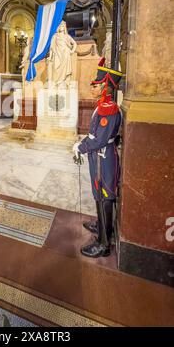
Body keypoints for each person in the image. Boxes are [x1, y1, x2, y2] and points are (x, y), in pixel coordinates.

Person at [73, 58, 123, 258]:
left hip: (104, 158)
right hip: (99, 157)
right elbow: (95, 135)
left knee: (104, 196)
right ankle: (101, 225)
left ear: (106, 88)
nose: (92, 87)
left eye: (96, 84)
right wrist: (82, 144)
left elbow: (100, 139)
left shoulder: (108, 108)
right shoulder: (102, 106)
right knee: (98, 192)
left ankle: (104, 244)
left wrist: (81, 147)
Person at [47, 20, 77, 88]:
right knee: (56, 67)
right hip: (57, 53)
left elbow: (74, 43)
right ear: (58, 27)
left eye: (63, 26)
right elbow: (52, 47)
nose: (61, 27)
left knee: (65, 68)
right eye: (60, 26)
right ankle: (55, 82)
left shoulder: (67, 36)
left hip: (66, 53)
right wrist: (50, 56)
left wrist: (72, 51)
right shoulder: (55, 36)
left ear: (65, 27)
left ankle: (63, 82)